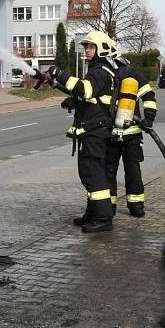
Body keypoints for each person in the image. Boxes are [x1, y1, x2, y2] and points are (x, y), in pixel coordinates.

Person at [43, 31, 116, 232]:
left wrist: (58, 72)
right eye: (85, 47)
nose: (87, 50)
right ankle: (92, 214)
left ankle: (103, 218)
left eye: (91, 47)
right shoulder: (98, 70)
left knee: (93, 174)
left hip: (96, 132)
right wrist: (56, 84)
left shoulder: (101, 72)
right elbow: (81, 93)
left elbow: (85, 89)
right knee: (91, 173)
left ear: (101, 49)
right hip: (93, 131)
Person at [104, 45, 157, 218]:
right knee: (133, 170)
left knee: (109, 171)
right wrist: (148, 119)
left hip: (111, 133)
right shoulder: (132, 72)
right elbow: (148, 96)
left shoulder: (103, 73)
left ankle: (108, 207)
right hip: (132, 132)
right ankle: (136, 207)